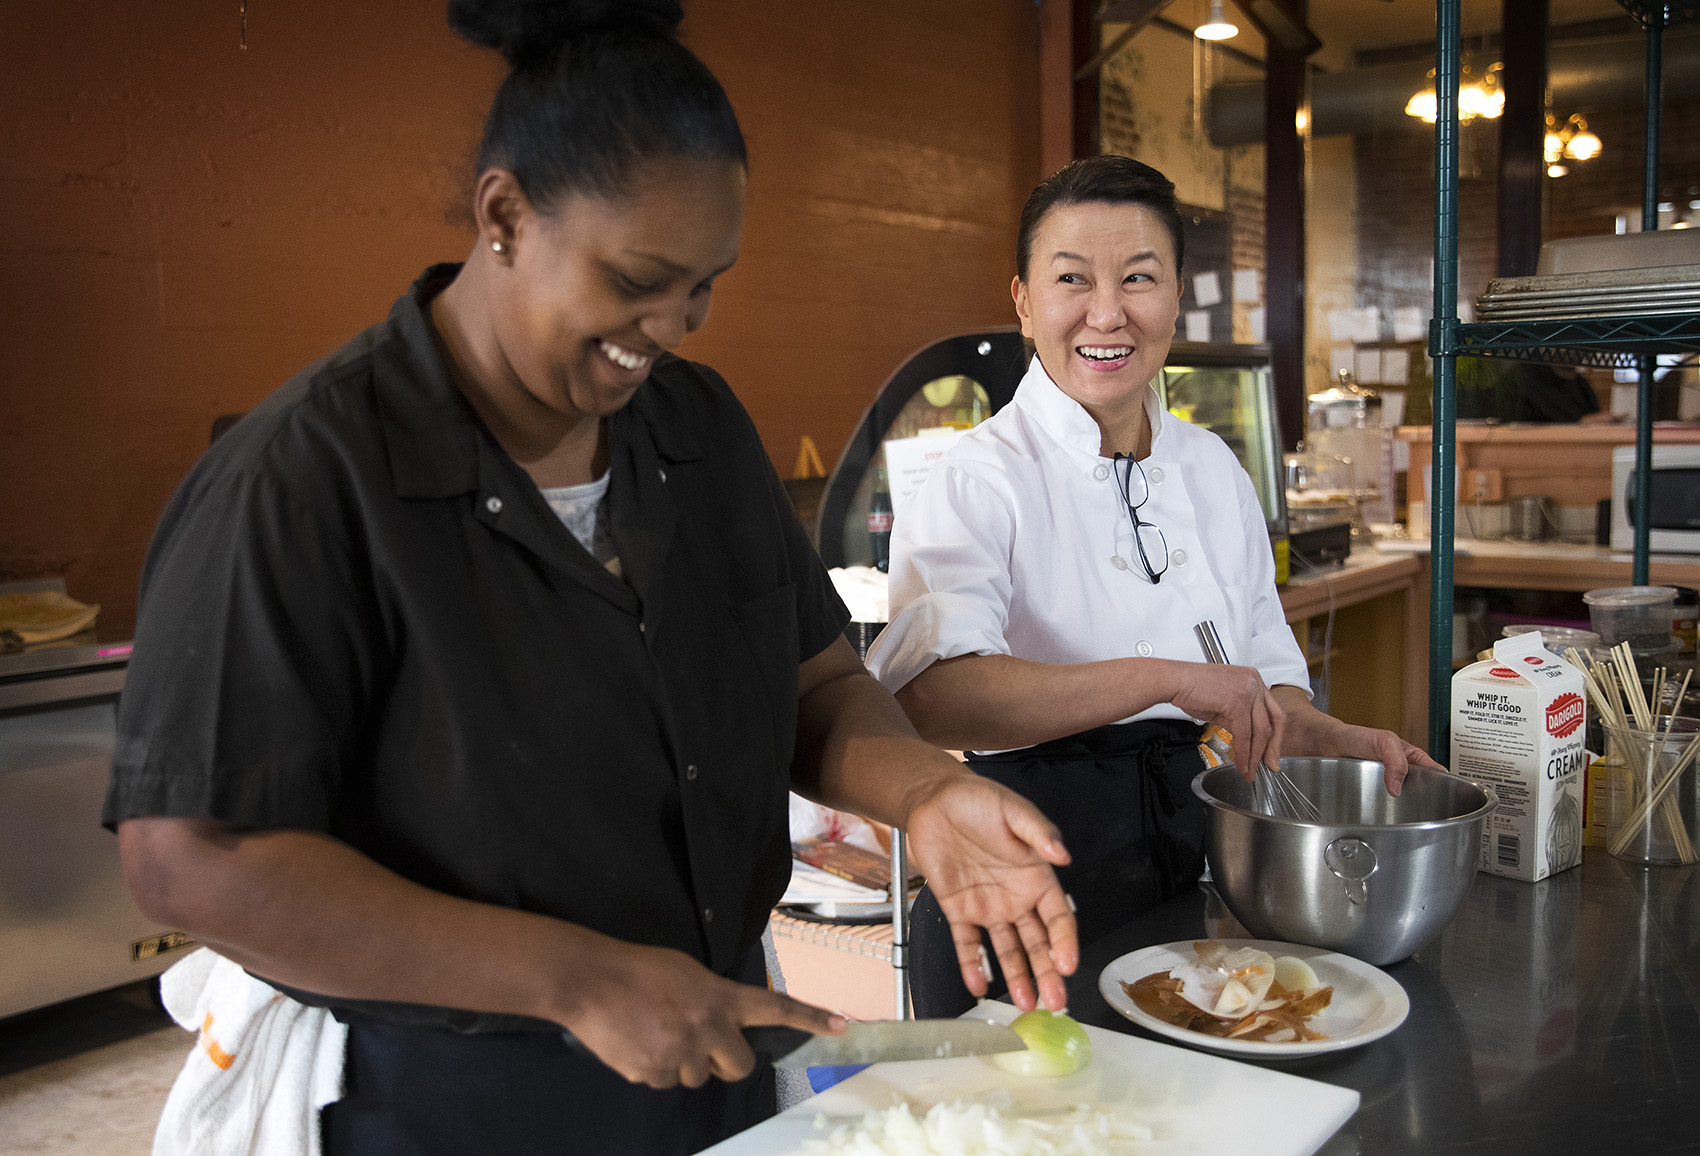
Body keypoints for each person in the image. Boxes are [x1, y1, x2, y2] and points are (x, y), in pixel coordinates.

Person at [104, 3, 1079, 1152]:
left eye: (703, 285)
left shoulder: (697, 430)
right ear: (505, 214)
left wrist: (922, 792)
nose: (667, 327)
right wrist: (575, 979)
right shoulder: (304, 480)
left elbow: (814, 683)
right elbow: (187, 856)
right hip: (451, 1098)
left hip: (707, 1048)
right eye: (636, 280)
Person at [864, 154, 1442, 1017]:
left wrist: (1335, 740)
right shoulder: (977, 478)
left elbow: (1261, 685)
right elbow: (937, 698)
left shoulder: (1212, 469)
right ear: (1023, 300)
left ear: (1176, 296)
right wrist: (1167, 679)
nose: (1108, 313)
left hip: (1184, 881)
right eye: (1072, 280)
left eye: (1139, 278)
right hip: (1020, 891)